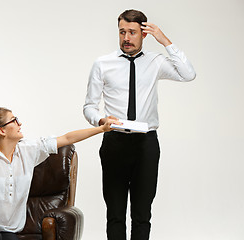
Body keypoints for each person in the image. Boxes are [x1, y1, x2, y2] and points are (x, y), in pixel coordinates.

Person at [83, 9, 196, 240]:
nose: (126, 38)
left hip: (146, 145)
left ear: (144, 34)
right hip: (114, 141)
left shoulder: (156, 62)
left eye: (132, 32)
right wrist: (101, 120)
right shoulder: (103, 63)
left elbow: (188, 74)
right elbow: (89, 107)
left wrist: (165, 41)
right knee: (115, 213)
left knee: (142, 214)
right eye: (122, 32)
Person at [0, 107, 120, 240]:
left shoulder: (29, 151)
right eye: (14, 120)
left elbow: (66, 138)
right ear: (2, 130)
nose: (20, 123)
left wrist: (101, 129)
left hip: (8, 228)